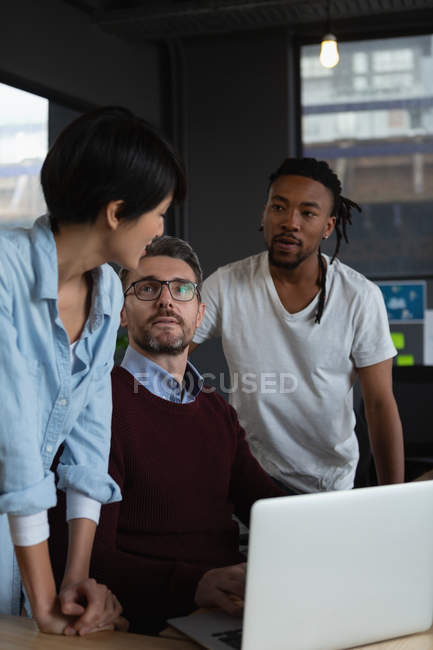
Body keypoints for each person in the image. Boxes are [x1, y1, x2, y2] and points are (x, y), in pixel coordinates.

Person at [0, 106, 185, 635]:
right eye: (159, 213)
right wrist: (46, 604)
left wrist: (73, 581)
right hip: (16, 515)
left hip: (20, 534)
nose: (159, 230)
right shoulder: (5, 272)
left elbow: (89, 435)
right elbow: (13, 447)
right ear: (116, 211)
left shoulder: (106, 288)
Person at [49, 236, 282, 634]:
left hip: (227, 615)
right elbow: (86, 559)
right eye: (147, 287)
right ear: (121, 311)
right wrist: (195, 585)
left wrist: (348, 520)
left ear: (200, 312)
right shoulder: (95, 408)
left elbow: (271, 511)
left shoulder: (216, 411)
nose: (166, 300)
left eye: (182, 289)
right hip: (150, 623)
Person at [191, 157, 404, 494]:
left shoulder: (360, 296)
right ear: (264, 214)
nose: (290, 222)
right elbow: (169, 354)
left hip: (328, 484)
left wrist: (396, 499)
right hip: (248, 476)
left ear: (328, 226)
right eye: (279, 207)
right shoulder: (226, 285)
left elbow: (379, 404)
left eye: (307, 213)